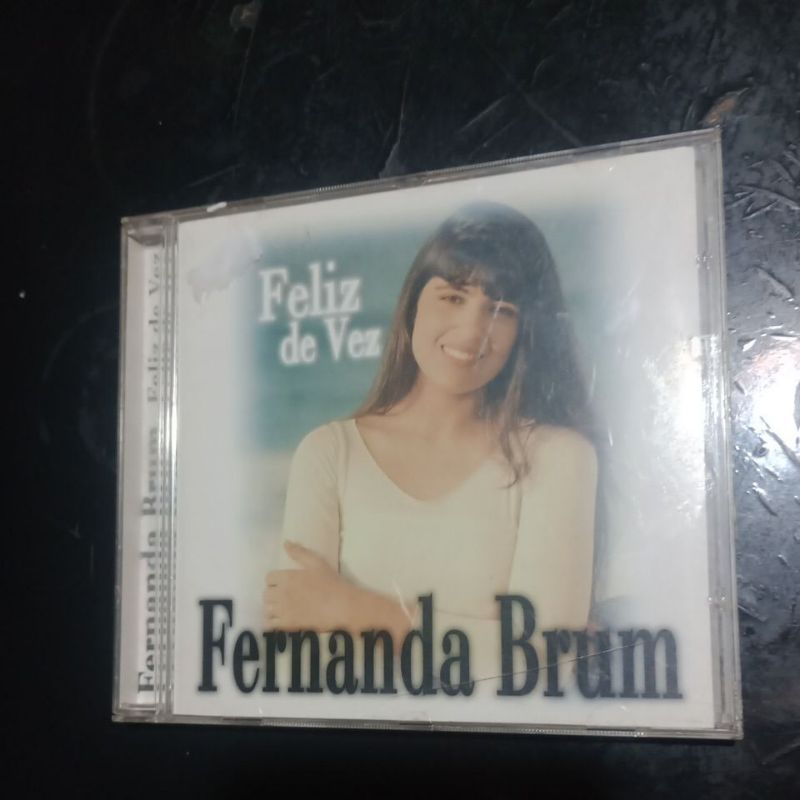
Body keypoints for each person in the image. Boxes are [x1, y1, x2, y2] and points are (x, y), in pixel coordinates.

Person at [263, 201, 597, 674]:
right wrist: (483, 641)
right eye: (453, 297)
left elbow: (544, 653)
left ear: (525, 333)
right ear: (412, 306)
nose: (472, 331)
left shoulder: (558, 457)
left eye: (500, 310)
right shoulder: (328, 453)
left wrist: (360, 613)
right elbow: (295, 650)